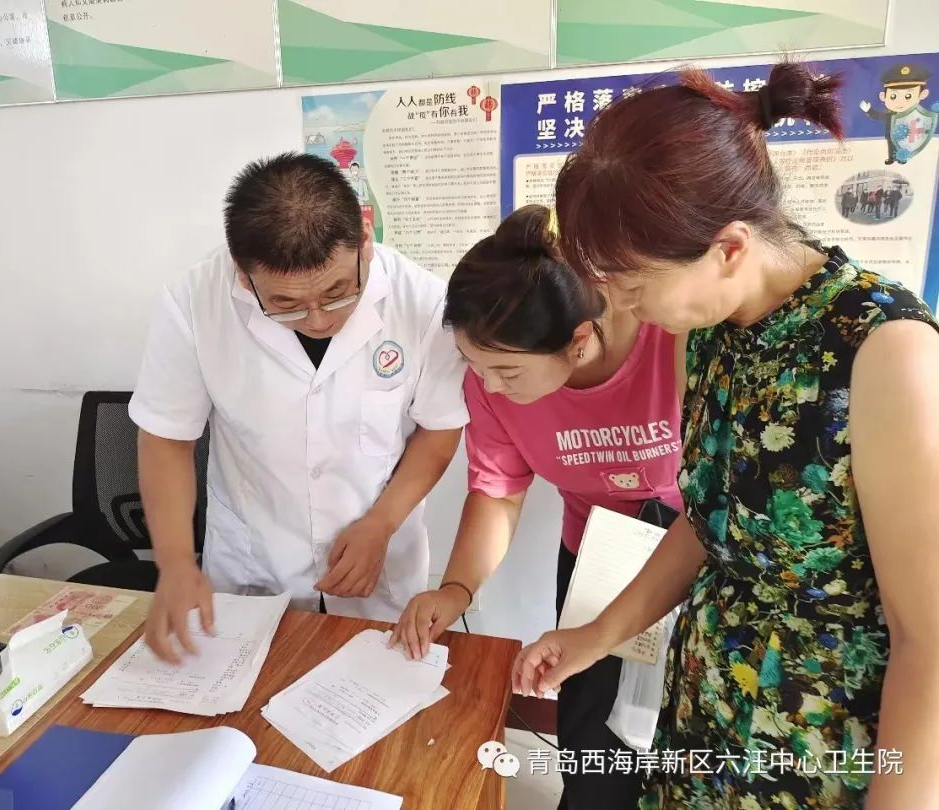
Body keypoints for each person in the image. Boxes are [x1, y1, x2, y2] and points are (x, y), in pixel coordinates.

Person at [517, 62, 939, 809]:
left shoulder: (886, 352)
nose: (618, 307)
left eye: (632, 284)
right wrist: (600, 633)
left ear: (730, 247)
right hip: (706, 724)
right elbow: (711, 520)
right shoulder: (713, 328)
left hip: (821, 753)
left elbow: (929, 644)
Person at [390, 205, 685, 809]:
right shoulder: (491, 387)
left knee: (688, 742)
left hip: (699, 559)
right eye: (475, 365)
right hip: (597, 563)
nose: (489, 387)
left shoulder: (670, 338)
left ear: (578, 342)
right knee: (598, 753)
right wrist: (456, 590)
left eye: (506, 370)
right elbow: (498, 492)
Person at [130, 153, 468, 663]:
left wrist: (381, 525)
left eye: (338, 292)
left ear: (366, 237)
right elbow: (166, 437)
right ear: (242, 275)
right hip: (254, 561)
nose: (317, 319)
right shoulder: (193, 302)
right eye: (285, 304)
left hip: (379, 561)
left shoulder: (423, 302)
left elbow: (439, 431)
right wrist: (176, 562)